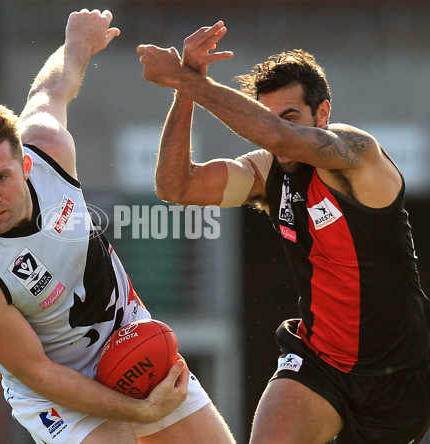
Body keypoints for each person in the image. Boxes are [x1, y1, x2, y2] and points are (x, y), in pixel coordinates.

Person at [0, 9, 235, 444]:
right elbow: (40, 372)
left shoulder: (49, 146)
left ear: (25, 164)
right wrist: (140, 410)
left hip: (130, 338)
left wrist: (77, 45)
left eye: (1, 177)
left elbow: (51, 88)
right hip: (57, 387)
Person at [137, 21, 430, 444]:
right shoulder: (267, 169)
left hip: (401, 376)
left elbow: (283, 139)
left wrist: (179, 75)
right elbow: (174, 186)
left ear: (322, 113)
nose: (271, 132)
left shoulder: (356, 152)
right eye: (266, 115)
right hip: (318, 363)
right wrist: (187, 89)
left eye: (290, 116)